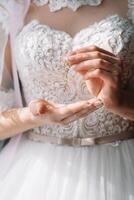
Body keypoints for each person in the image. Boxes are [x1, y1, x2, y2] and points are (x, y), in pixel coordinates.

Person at [0, 0, 134, 199]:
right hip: (36, 175)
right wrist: (34, 116)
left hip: (122, 165)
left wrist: (120, 102)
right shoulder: (13, 8)